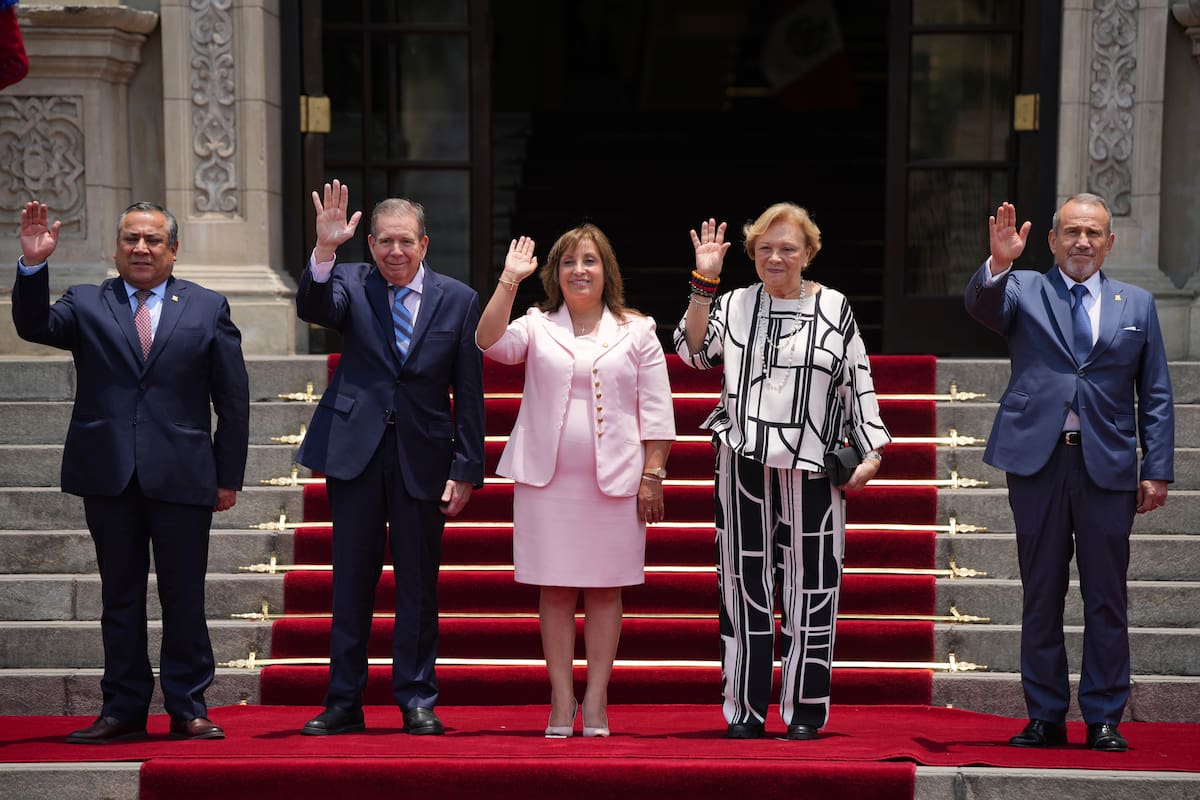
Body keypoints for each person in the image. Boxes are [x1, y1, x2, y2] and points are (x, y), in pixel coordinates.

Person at [13, 200, 250, 743]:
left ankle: (189, 707)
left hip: (185, 473)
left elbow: (232, 401)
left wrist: (228, 475)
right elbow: (34, 325)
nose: (140, 249)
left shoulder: (209, 306)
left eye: (152, 240)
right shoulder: (87, 302)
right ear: (116, 246)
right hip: (109, 472)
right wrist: (32, 267)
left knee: (183, 595)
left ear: (173, 249)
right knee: (119, 595)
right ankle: (122, 708)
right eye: (130, 240)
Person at [964, 194, 1174, 752]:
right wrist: (1000, 264)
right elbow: (983, 308)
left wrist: (1156, 470)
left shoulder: (1138, 303)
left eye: (1094, 233)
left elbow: (1154, 394)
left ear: (1110, 242)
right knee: (1041, 591)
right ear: (1053, 240)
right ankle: (1045, 716)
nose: (1082, 241)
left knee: (1107, 596)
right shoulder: (1024, 287)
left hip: (1107, 464)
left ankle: (1105, 716)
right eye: (1072, 232)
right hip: (1039, 460)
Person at [675, 204, 890, 741]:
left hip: (814, 470)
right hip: (742, 464)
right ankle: (744, 711)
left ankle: (805, 711)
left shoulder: (836, 308)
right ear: (752, 254)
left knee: (813, 591)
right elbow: (692, 352)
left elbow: (856, 380)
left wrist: (870, 452)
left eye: (788, 248)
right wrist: (704, 282)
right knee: (742, 587)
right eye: (766, 248)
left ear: (809, 253)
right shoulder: (731, 304)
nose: (776, 257)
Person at [295, 179, 485, 736]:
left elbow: (468, 392)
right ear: (370, 245)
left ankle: (417, 698)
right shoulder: (349, 283)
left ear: (424, 245)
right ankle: (343, 701)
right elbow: (313, 305)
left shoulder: (459, 298)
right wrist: (326, 250)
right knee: (350, 580)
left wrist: (466, 467)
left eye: (405, 242)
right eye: (383, 242)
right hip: (355, 452)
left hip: (423, 456)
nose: (394, 252)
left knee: (418, 585)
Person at [475, 224, 675, 738]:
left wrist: (653, 475)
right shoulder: (537, 324)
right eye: (568, 262)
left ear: (606, 270)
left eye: (589, 260)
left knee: (607, 592)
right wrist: (507, 281)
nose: (579, 270)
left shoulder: (638, 329)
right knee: (557, 591)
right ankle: (561, 702)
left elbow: (656, 411)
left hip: (616, 481)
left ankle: (597, 701)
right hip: (547, 482)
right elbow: (487, 342)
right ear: (554, 273)